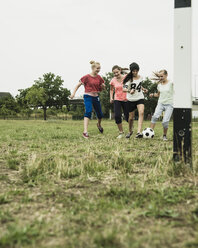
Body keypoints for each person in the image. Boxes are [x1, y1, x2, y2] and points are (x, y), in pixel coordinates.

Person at [70, 61, 105, 139]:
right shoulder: (86, 77)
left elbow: (102, 89)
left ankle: (99, 124)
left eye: (100, 68)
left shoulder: (99, 77)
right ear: (93, 68)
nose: (99, 70)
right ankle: (85, 132)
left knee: (100, 114)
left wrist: (103, 86)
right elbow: (77, 86)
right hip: (88, 96)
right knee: (88, 111)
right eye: (97, 68)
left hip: (96, 97)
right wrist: (73, 94)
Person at [123, 62, 148, 138]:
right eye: (133, 71)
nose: (135, 72)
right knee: (131, 118)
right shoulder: (128, 79)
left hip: (140, 98)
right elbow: (124, 89)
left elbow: (139, 85)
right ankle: (130, 131)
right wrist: (129, 91)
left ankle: (138, 132)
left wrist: (143, 89)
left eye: (136, 70)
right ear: (131, 71)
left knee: (141, 112)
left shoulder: (141, 77)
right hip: (131, 99)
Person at [150, 70, 174, 141]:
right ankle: (150, 133)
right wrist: (153, 95)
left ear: (166, 75)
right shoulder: (159, 85)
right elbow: (158, 95)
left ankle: (164, 135)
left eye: (162, 76)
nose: (160, 78)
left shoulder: (171, 83)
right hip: (160, 103)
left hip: (169, 104)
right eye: (159, 76)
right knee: (154, 117)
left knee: (165, 121)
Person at [110, 65, 129, 139]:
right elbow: (111, 90)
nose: (116, 74)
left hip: (126, 99)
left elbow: (131, 73)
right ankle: (121, 132)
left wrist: (123, 69)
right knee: (117, 116)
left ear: (120, 71)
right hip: (117, 99)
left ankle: (131, 130)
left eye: (117, 72)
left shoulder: (125, 77)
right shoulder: (113, 80)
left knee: (128, 117)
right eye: (114, 73)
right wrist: (111, 97)